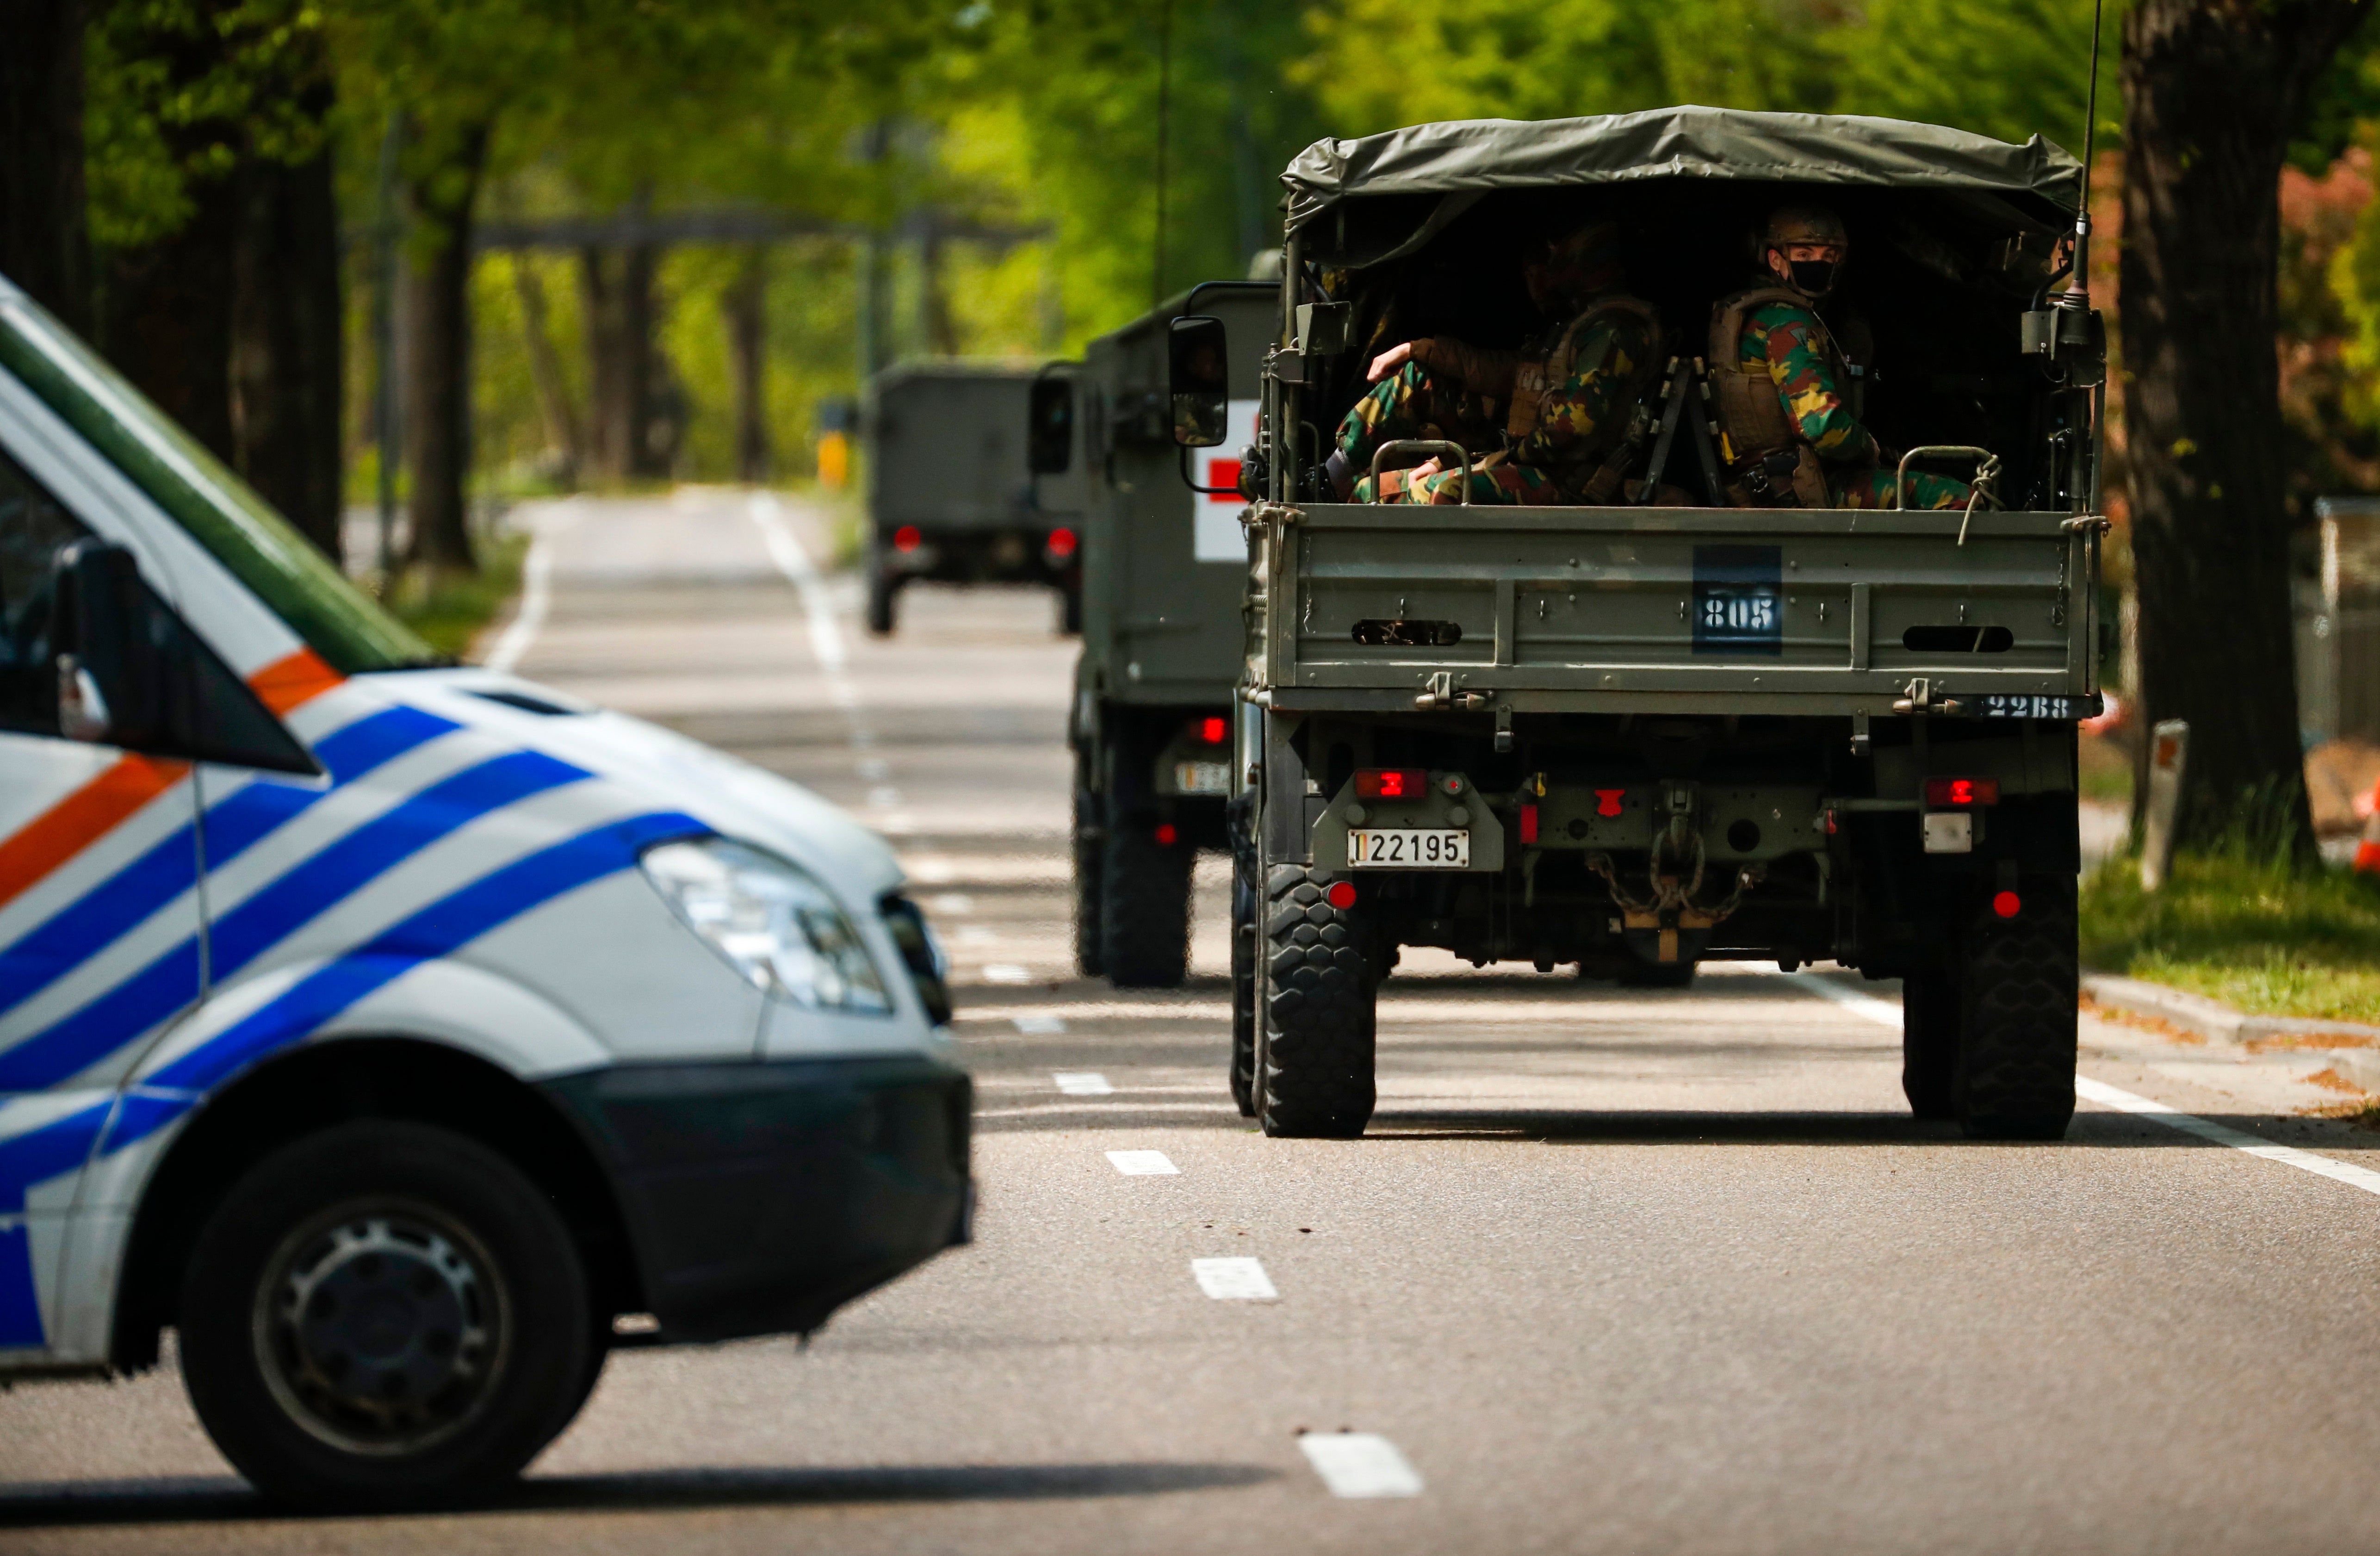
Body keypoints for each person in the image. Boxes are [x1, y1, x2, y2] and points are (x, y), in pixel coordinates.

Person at [1325, 219, 1663, 505]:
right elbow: (1508, 373)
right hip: (1528, 460)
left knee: (1450, 492)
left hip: (1567, 480)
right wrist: (1418, 350)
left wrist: (1495, 460)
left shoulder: (1614, 332)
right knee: (1369, 488)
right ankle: (1327, 480)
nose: (1548, 274)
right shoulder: (1577, 329)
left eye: (1559, 259)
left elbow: (1568, 433)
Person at [1708, 204, 1971, 511]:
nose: (1819, 263)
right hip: (1799, 486)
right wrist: (1868, 447)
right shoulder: (1788, 323)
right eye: (1805, 255)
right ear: (1776, 260)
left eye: (1829, 255)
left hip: (1767, 482)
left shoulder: (1745, 313)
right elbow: (1823, 427)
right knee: (1961, 498)